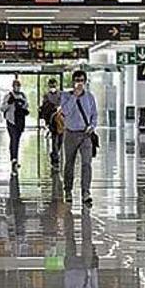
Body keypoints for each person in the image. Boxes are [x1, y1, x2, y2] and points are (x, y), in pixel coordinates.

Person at [60, 70, 98, 205]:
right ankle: (68, 190)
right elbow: (64, 111)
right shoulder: (66, 96)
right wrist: (74, 97)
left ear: (85, 81)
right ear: (73, 82)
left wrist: (92, 126)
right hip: (70, 133)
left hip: (85, 135)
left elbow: (94, 114)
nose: (79, 83)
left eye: (82, 80)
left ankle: (86, 191)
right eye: (77, 80)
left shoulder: (90, 97)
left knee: (86, 163)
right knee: (69, 163)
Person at [0, 78, 29, 174]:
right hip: (11, 121)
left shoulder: (23, 96)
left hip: (20, 121)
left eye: (18, 85)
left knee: (17, 140)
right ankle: (14, 159)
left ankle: (14, 158)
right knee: (14, 139)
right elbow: (3, 108)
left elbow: (26, 106)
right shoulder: (8, 96)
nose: (17, 87)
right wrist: (9, 103)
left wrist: (23, 105)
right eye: (16, 85)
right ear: (13, 86)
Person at [40, 77, 65, 169]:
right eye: (51, 85)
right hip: (52, 120)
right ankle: (55, 158)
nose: (53, 87)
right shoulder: (46, 96)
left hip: (61, 119)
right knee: (55, 138)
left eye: (54, 85)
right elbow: (45, 108)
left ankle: (54, 153)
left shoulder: (61, 94)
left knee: (61, 139)